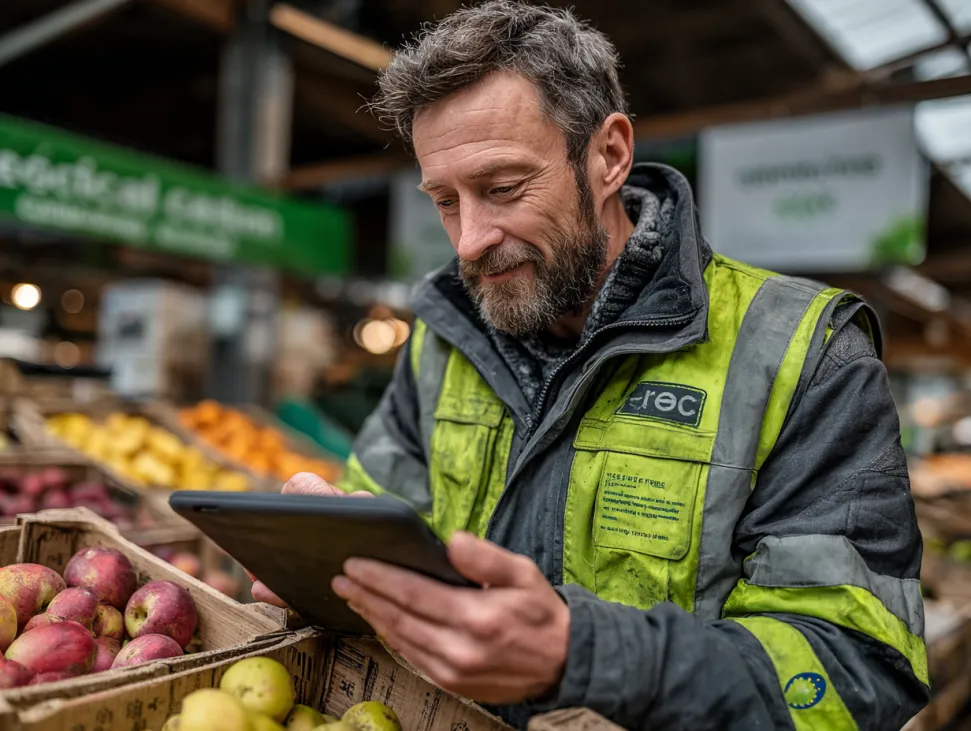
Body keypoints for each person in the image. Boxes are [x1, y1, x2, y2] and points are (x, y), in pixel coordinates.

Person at [254, 2, 928, 728]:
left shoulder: (803, 355)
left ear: (606, 156)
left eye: (504, 188)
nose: (470, 240)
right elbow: (380, 520)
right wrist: (321, 562)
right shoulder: (443, 338)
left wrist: (587, 654)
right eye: (444, 201)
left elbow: (857, 666)